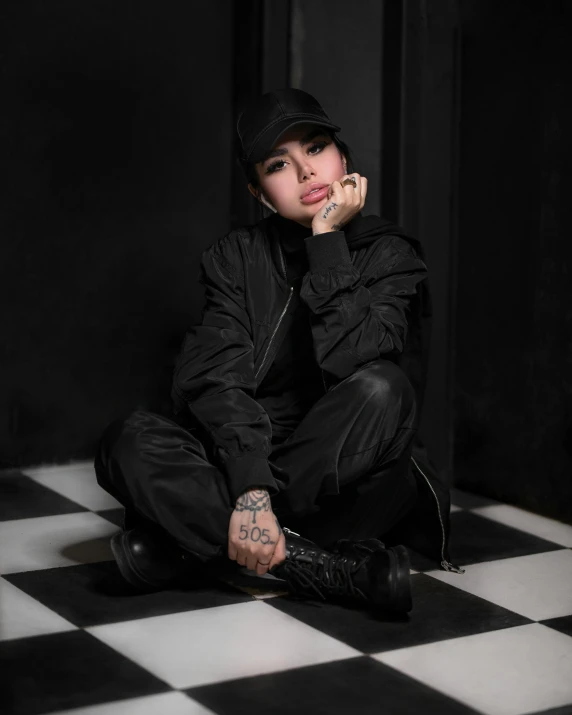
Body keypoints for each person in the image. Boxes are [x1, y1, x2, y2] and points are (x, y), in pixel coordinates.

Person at [94, 88, 463, 615]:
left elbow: (352, 359)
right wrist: (250, 490)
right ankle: (327, 571)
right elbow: (213, 378)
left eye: (315, 149)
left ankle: (187, 544)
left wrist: (326, 240)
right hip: (246, 462)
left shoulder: (389, 255)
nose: (306, 173)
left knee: (384, 389)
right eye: (278, 164)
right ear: (260, 192)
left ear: (344, 159)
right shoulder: (235, 257)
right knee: (126, 438)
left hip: (346, 484)